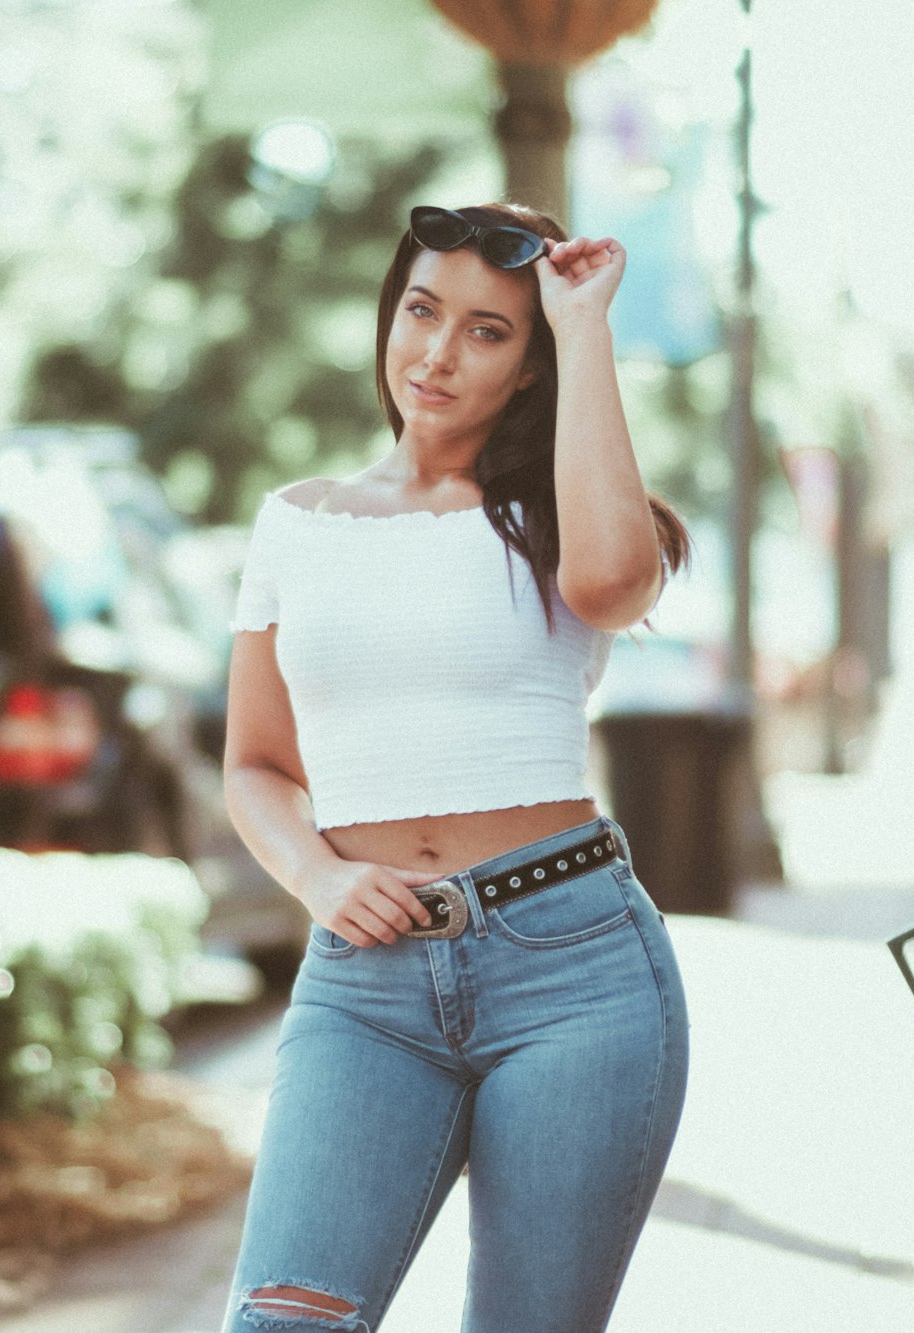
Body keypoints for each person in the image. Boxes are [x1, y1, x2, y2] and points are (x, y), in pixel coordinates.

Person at [220, 202, 690, 1333]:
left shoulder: (560, 519)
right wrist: (319, 879)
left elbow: (617, 585)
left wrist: (583, 328)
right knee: (283, 1320)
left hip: (573, 971)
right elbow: (256, 764)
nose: (435, 353)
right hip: (366, 982)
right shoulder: (295, 523)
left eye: (488, 331)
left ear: (529, 368)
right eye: (422, 310)